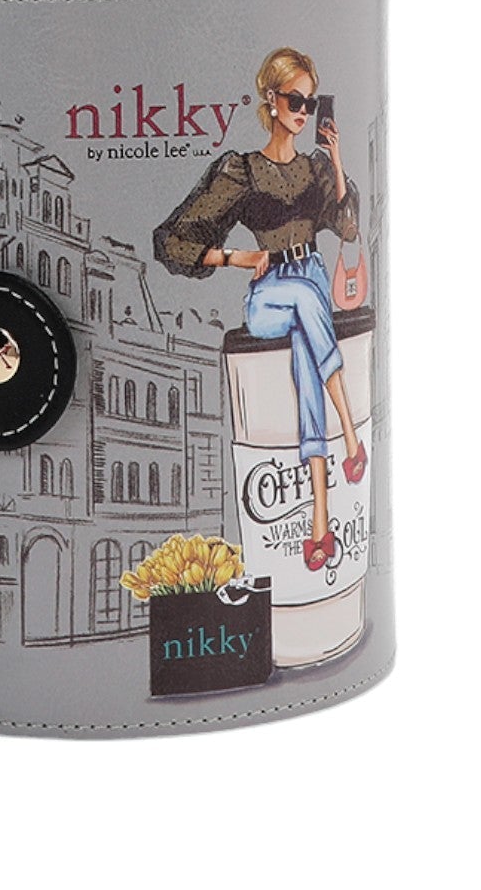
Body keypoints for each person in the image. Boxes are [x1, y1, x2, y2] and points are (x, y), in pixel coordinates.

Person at [153, 47, 365, 572]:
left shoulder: (315, 168)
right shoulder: (242, 170)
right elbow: (172, 240)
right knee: (304, 303)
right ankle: (350, 435)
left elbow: (347, 227)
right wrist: (236, 256)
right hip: (269, 293)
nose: (303, 112)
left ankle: (319, 525)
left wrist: (337, 160)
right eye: (295, 100)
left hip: (311, 282)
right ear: (271, 99)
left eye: (310, 104)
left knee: (307, 357)